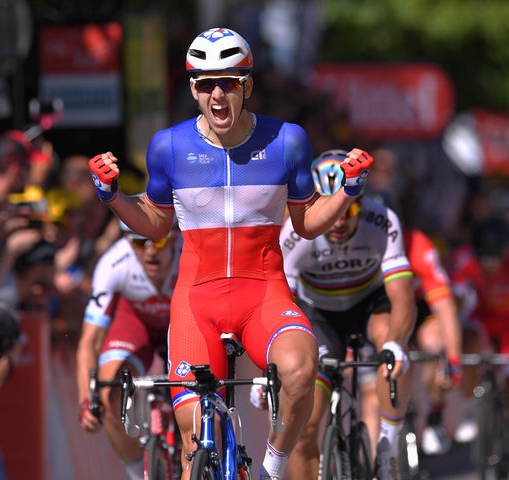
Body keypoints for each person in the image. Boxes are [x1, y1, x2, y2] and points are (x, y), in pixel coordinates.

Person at [86, 27, 374, 480]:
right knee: (192, 441)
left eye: (229, 82)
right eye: (205, 83)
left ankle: (271, 471)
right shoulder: (169, 146)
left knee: (301, 369)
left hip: (263, 293)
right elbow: (157, 222)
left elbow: (306, 220)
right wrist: (113, 197)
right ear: (193, 89)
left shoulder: (288, 140)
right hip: (196, 303)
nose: (217, 94)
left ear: (248, 86)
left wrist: (347, 193)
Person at [277, 149, 415, 479]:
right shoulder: (296, 233)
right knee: (306, 429)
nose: (339, 220)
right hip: (318, 315)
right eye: (331, 208)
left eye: (348, 207)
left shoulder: (383, 221)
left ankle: (387, 449)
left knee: (394, 348)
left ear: (362, 202)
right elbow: (283, 305)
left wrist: (396, 343)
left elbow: (403, 297)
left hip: (368, 304)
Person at [76, 220, 180, 480]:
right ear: (126, 239)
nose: (149, 251)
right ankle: (137, 474)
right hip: (136, 326)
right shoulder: (114, 263)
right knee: (110, 393)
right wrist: (87, 400)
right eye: (138, 242)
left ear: (176, 237)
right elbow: (89, 341)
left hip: (182, 324)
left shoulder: (191, 254)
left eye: (158, 241)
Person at [448, 215, 509, 480]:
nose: (488, 266)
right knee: (468, 343)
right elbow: (453, 303)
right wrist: (450, 342)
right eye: (483, 260)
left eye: (493, 260)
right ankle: (471, 405)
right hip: (482, 319)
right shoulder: (465, 259)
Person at [358, 225, 463, 457]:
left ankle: (435, 410)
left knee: (434, 341)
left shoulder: (419, 245)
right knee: (371, 395)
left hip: (418, 310)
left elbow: (445, 306)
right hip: (379, 314)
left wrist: (453, 358)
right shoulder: (361, 244)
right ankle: (378, 464)